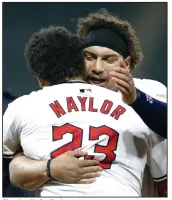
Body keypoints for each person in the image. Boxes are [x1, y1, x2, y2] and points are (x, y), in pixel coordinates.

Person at [7, 10, 167, 196]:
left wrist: (137, 99)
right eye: (89, 57)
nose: (97, 68)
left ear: (127, 64)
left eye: (109, 59)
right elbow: (17, 165)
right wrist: (48, 167)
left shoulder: (147, 91)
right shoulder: (54, 98)